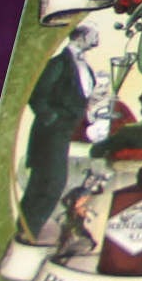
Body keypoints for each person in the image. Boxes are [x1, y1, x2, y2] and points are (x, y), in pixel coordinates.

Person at [18, 21, 113, 243]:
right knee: (50, 183)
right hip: (51, 133)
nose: (97, 39)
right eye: (94, 35)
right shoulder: (58, 64)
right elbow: (38, 97)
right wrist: (54, 120)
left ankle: (26, 229)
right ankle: (28, 231)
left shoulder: (84, 66)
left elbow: (78, 100)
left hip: (65, 132)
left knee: (46, 183)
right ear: (81, 36)